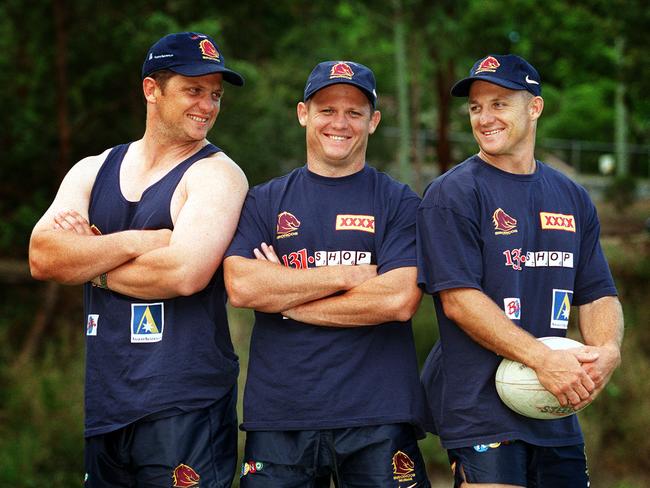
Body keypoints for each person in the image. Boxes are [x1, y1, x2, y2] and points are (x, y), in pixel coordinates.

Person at [28, 32, 248, 487]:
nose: (207, 106)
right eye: (193, 90)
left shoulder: (217, 174)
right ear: (152, 89)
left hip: (184, 407)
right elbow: (43, 256)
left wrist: (90, 261)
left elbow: (183, 273)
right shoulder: (93, 169)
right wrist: (141, 242)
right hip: (107, 405)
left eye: (215, 95)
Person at [416, 54, 624, 487]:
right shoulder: (452, 193)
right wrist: (542, 359)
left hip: (556, 406)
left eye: (499, 103)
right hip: (482, 413)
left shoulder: (571, 196)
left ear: (535, 107)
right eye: (476, 107)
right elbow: (459, 301)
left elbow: (597, 292)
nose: (485, 118)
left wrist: (606, 350)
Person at [224, 60, 431, 487]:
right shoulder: (262, 201)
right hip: (281, 416)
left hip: (379, 416)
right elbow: (243, 286)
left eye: (354, 113)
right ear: (303, 114)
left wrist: (288, 300)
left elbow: (397, 300)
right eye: (327, 110)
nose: (340, 123)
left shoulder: (399, 202)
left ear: (373, 122)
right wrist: (349, 275)